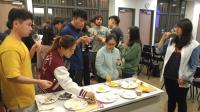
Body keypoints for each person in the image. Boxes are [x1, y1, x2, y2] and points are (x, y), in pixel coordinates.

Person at [0, 8, 52, 111]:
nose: (31, 28)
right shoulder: (10, 47)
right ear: (16, 24)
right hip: (20, 102)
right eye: (28, 24)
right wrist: (38, 81)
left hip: (26, 97)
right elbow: (13, 76)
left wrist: (33, 49)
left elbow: (24, 61)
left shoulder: (18, 41)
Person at [157, 18, 200, 112]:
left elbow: (193, 66)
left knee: (181, 101)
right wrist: (163, 38)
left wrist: (185, 78)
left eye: (179, 27)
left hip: (182, 80)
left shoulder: (194, 45)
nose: (176, 28)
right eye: (177, 26)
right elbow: (159, 51)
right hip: (168, 77)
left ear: (186, 29)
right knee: (171, 99)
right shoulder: (171, 41)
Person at [40, 35, 95, 102]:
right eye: (72, 50)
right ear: (63, 48)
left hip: (48, 87)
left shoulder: (54, 52)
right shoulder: (56, 62)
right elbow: (67, 83)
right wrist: (85, 93)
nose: (73, 52)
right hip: (49, 92)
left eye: (74, 50)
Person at [60, 9, 90, 86]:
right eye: (81, 20)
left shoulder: (78, 30)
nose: (82, 23)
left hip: (79, 62)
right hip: (71, 65)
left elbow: (78, 46)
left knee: (78, 86)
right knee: (71, 88)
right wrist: (79, 40)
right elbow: (65, 49)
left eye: (84, 21)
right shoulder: (66, 30)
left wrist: (84, 41)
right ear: (74, 18)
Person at [89, 15, 110, 80]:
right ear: (95, 20)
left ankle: (103, 78)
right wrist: (91, 38)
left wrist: (99, 37)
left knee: (103, 66)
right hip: (94, 51)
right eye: (98, 19)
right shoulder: (91, 30)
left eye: (101, 19)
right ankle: (97, 79)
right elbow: (89, 40)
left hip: (104, 51)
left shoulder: (105, 29)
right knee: (95, 67)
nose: (99, 21)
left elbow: (109, 40)